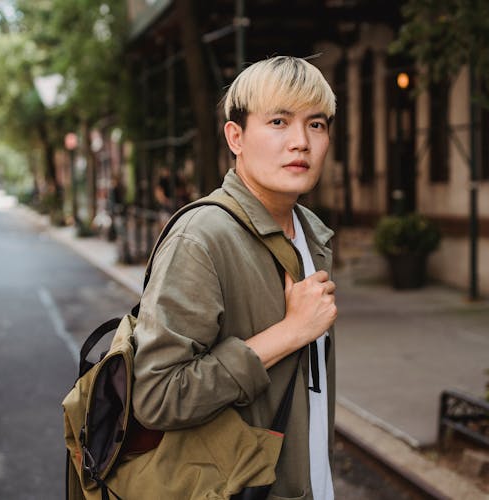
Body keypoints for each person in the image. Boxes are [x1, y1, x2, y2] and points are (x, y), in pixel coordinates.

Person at [132, 55, 338, 499]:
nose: (301, 141)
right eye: (279, 122)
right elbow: (157, 395)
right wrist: (288, 333)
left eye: (316, 124)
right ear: (236, 137)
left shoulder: (310, 234)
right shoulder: (202, 239)